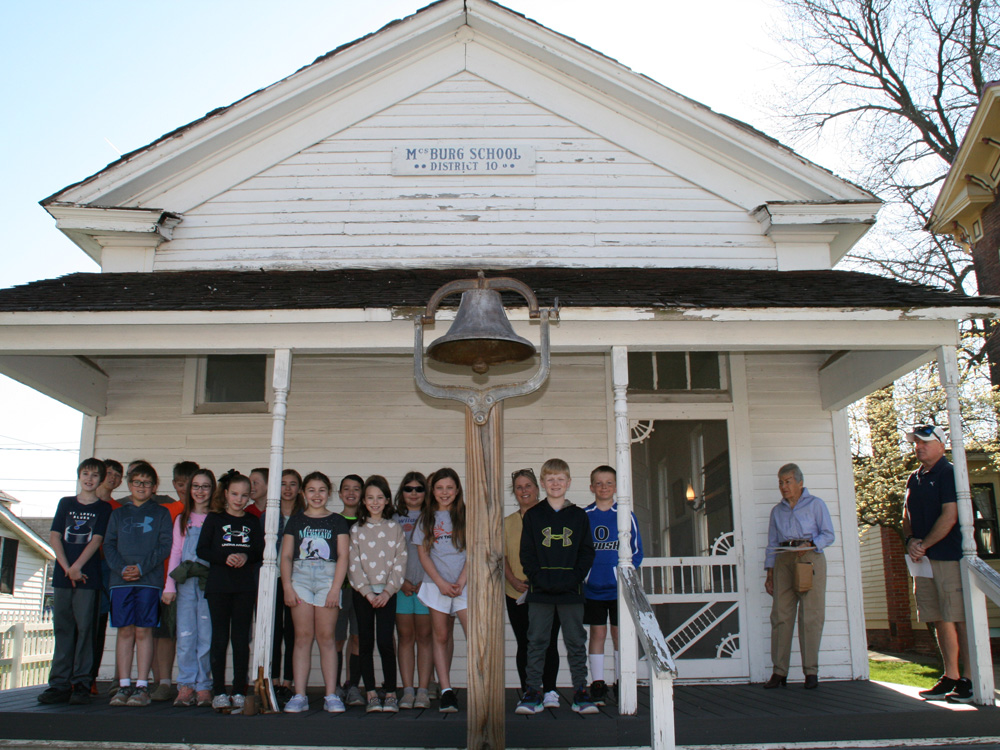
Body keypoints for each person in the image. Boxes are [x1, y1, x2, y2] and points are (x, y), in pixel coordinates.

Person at [516, 458, 597, 715]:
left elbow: (586, 552)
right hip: (540, 591)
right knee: (537, 641)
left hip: (570, 592)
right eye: (550, 479)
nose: (555, 484)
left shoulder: (578, 515)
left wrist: (572, 578)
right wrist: (540, 579)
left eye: (560, 479)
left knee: (575, 642)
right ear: (542, 483)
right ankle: (533, 692)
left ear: (569, 483)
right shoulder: (534, 515)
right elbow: (526, 554)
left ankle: (581, 692)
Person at [902, 424, 972, 703]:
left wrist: (924, 544)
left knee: (959, 618)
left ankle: (969, 679)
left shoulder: (949, 473)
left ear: (941, 445)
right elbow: (906, 516)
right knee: (940, 618)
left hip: (947, 557)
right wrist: (910, 542)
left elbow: (950, 515)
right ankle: (951, 676)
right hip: (923, 560)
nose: (918, 447)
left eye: (924, 442)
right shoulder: (914, 477)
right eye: (915, 442)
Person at [38, 458, 113, 706]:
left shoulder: (103, 508)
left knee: (85, 631)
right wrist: (67, 567)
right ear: (79, 476)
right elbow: (55, 535)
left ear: (100, 480)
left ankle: (81, 682)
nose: (89, 479)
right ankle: (59, 683)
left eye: (94, 475)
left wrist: (78, 566)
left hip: (87, 577)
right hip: (63, 576)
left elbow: (97, 539)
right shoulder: (66, 503)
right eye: (85, 474)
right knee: (63, 629)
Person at [280, 471, 350, 714]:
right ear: (304, 493)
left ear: (328, 493)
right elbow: (287, 555)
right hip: (300, 577)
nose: (317, 495)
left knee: (327, 637)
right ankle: (300, 695)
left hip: (327, 577)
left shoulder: (337, 520)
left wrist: (335, 589)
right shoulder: (297, 520)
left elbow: (343, 556)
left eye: (321, 490)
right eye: (311, 490)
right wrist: (287, 586)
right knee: (302, 637)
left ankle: (331, 694)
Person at [104, 461, 173, 707]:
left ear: (154, 487)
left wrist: (142, 568)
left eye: (146, 483)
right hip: (120, 581)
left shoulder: (161, 513)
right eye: (136, 482)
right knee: (124, 631)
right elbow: (108, 544)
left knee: (144, 631)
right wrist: (122, 568)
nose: (141, 486)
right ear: (129, 484)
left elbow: (165, 545)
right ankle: (123, 685)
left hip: (149, 581)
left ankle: (142, 686)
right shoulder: (118, 513)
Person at [197, 470, 265, 713]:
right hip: (218, 587)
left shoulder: (251, 521)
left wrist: (246, 555)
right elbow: (202, 549)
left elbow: (259, 550)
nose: (239, 499)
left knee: (240, 639)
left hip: (244, 587)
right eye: (235, 494)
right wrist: (225, 557)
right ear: (226, 494)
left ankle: (239, 690)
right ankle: (218, 691)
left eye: (244, 495)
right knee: (218, 638)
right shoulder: (214, 519)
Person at [763, 463, 835, 690]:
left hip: (809, 558)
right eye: (780, 483)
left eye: (788, 481)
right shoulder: (777, 511)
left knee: (810, 616)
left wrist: (812, 544)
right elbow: (772, 544)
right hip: (784, 560)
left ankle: (811, 672)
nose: (784, 487)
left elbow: (829, 534)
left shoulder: (816, 505)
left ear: (800, 483)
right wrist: (770, 573)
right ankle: (779, 671)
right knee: (781, 615)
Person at [584, 465, 643, 705]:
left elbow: (636, 551)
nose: (604, 487)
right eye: (599, 483)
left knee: (620, 634)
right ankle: (597, 683)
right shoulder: (585, 515)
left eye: (609, 483)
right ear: (591, 487)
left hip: (619, 589)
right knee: (597, 633)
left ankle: (621, 680)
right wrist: (586, 575)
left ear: (616, 487)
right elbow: (580, 550)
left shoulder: (626, 514)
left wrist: (623, 576)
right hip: (593, 588)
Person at [504, 468, 562, 707]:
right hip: (516, 590)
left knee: (547, 641)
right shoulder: (507, 523)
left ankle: (549, 691)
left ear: (537, 488)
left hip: (547, 591)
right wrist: (513, 580)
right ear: (514, 492)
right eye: (519, 487)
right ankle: (530, 690)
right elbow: (502, 556)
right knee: (525, 643)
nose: (524, 491)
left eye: (528, 486)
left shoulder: (552, 516)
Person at [349, 475, 407, 713]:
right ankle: (371, 692)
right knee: (365, 641)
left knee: (385, 641)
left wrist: (387, 591)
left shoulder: (394, 529)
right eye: (370, 498)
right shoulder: (356, 529)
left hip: (387, 593)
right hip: (363, 594)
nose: (374, 502)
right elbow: (354, 564)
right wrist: (367, 592)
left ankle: (391, 691)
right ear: (363, 501)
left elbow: (400, 561)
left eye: (379, 498)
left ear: (386, 501)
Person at [412, 467, 467, 713]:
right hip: (437, 585)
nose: (445, 492)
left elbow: (476, 550)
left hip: (465, 584)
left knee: (474, 635)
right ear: (433, 491)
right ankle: (446, 690)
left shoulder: (467, 516)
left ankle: (480, 685)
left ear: (457, 490)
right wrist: (441, 582)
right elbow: (423, 554)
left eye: (449, 488)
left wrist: (463, 579)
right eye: (440, 488)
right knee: (441, 636)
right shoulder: (427, 518)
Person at [162, 468, 215, 708]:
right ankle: (185, 684)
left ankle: (204, 684)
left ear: (212, 489)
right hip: (184, 583)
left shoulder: (216, 518)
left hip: (208, 583)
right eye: (196, 486)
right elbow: (175, 552)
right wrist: (169, 585)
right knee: (185, 635)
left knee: (206, 635)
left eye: (205, 486)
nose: (200, 491)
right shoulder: (182, 519)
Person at [150, 460, 198, 702]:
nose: (185, 489)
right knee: (166, 633)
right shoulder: (167, 510)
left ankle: (195, 683)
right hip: (168, 577)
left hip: (194, 581)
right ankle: (164, 681)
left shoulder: (204, 512)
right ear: (174, 484)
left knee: (193, 633)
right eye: (180, 484)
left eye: (190, 484)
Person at [393, 472, 434, 709]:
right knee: (406, 638)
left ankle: (423, 690)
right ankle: (408, 690)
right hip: (401, 587)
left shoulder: (433, 518)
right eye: (409, 489)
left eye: (419, 489)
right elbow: (386, 555)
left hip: (427, 587)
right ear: (402, 492)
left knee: (425, 638)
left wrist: (427, 581)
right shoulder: (392, 518)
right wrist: (400, 582)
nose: (414, 493)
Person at [268, 468, 305, 702]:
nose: (288, 489)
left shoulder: (303, 516)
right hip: (272, 578)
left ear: (299, 489)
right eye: (283, 484)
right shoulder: (268, 514)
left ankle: (289, 680)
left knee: (293, 630)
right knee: (273, 629)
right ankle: (272, 679)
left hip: (297, 577)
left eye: (293, 484)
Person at [89, 458, 123, 695]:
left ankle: (102, 678)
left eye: (117, 474)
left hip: (112, 568)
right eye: (109, 473)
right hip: (88, 567)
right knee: (87, 624)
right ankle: (80, 677)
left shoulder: (118, 508)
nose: (112, 477)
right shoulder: (84, 505)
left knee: (110, 623)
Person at [335, 474, 364, 706]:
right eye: (346, 488)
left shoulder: (367, 521)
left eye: (356, 489)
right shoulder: (333, 521)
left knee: (358, 637)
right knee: (336, 638)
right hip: (339, 588)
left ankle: (352, 684)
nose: (351, 493)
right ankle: (333, 684)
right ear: (339, 494)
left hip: (362, 589)